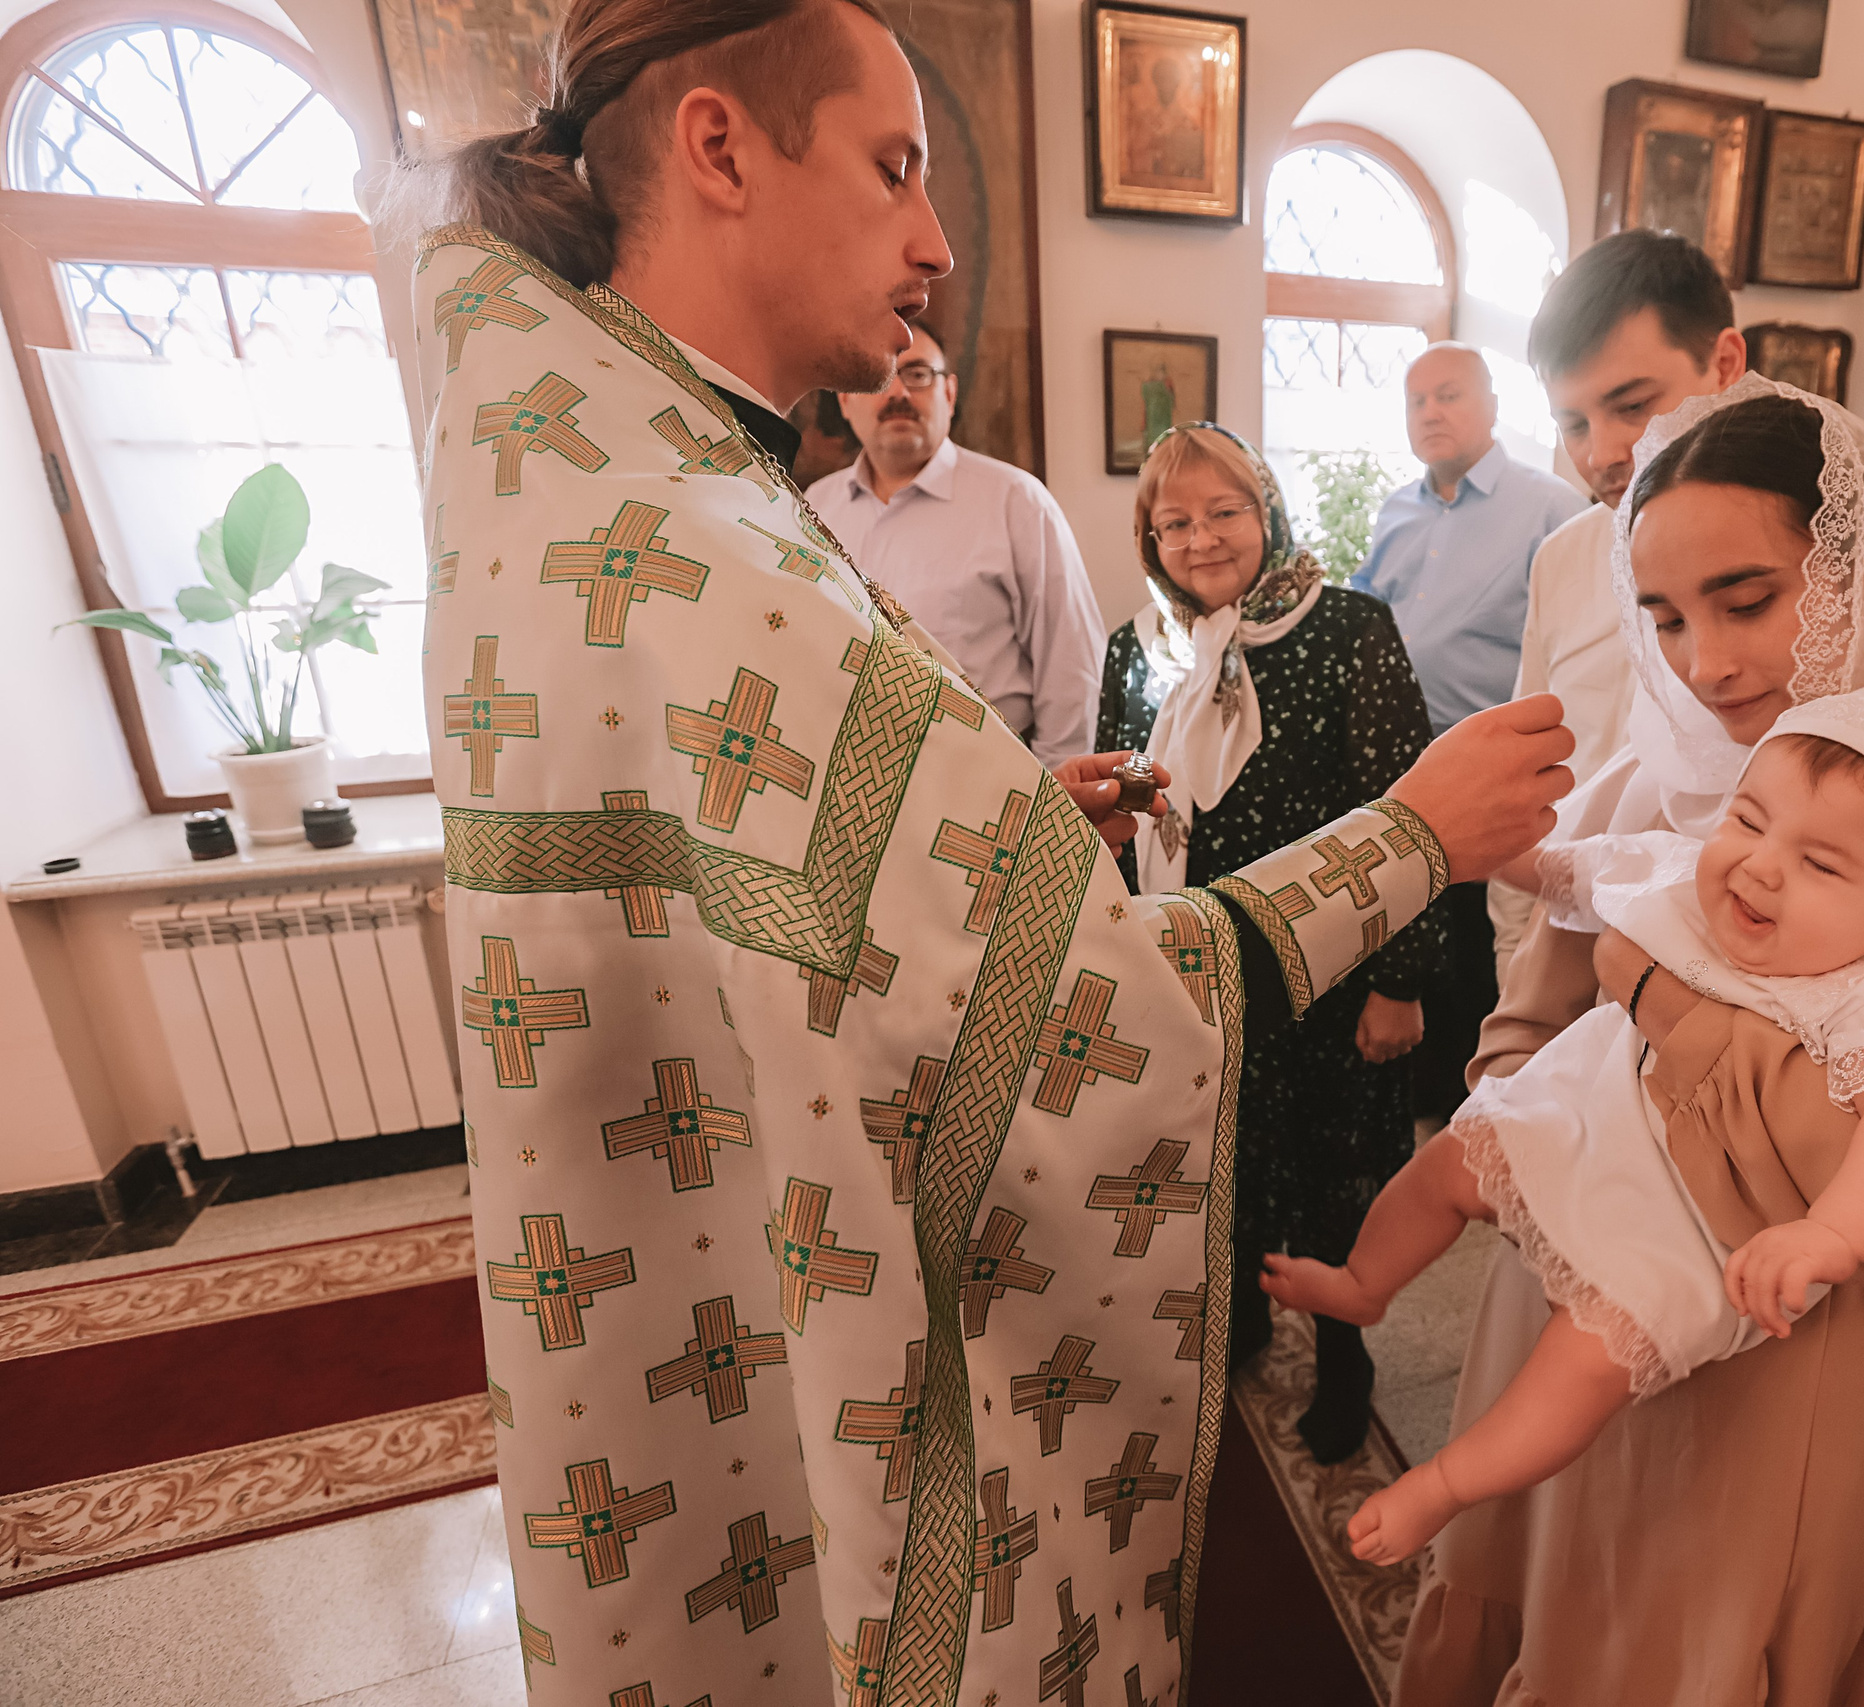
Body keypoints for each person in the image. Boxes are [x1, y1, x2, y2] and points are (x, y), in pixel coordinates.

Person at [405, 3, 1575, 1701]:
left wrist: (1008, 835)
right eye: (892, 170)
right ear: (722, 148)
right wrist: (1414, 840)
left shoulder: (581, 468)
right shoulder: (700, 543)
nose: (936, 245)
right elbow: (1084, 1025)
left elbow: (781, 907)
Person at [1395, 378, 1864, 1707]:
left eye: (1748, 600)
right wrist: (1527, 1123)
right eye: (1668, 616)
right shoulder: (1659, 768)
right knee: (1521, 1576)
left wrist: (1649, 987)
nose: (1706, 662)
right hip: (1561, 1275)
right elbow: (1518, 1031)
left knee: (1675, 1640)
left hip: (1771, 1335)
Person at [1266, 680, 1864, 1566]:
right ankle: (1364, 1281)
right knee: (1452, 1160)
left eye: (1821, 864)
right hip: (1584, 1111)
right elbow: (1572, 871)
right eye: (1749, 819)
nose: (1760, 866)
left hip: (1693, 1221)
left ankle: (1445, 1485)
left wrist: (1831, 1233)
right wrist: (1489, 851)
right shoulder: (1684, 870)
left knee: (1586, 1363)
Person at [1094, 422, 1442, 1465]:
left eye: (1224, 512)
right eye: (1175, 522)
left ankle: (1346, 1365)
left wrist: (1400, 982)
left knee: (1338, 1188)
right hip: (1196, 970)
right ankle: (1238, 1323)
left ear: (1268, 515)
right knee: (1220, 1166)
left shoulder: (1347, 630)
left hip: (1333, 980)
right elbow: (1118, 805)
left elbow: (1405, 817)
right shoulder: (1138, 646)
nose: (1200, 540)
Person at [1492, 230, 1750, 976]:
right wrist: (1517, 953)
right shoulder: (1564, 558)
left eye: (1632, 406)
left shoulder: (1813, 554)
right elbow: (1527, 772)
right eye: (1573, 423)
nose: (1600, 453)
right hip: (1561, 934)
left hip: (1729, 963)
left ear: (1724, 364)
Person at [1353, 343, 1585, 1114]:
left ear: (1490, 405)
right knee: (1398, 921)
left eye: (1448, 394)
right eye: (1416, 401)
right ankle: (1409, 1092)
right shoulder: (1396, 510)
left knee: (1475, 955)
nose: (1430, 413)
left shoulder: (1551, 506)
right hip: (1395, 765)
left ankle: (1473, 1101)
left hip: (1495, 764)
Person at [807, 321, 1106, 767]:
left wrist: (1052, 790)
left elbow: (1072, 664)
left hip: (991, 774)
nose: (898, 394)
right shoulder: (813, 507)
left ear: (948, 393)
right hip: (849, 772)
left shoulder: (1016, 501)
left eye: (918, 374)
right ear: (846, 401)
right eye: (879, 379)